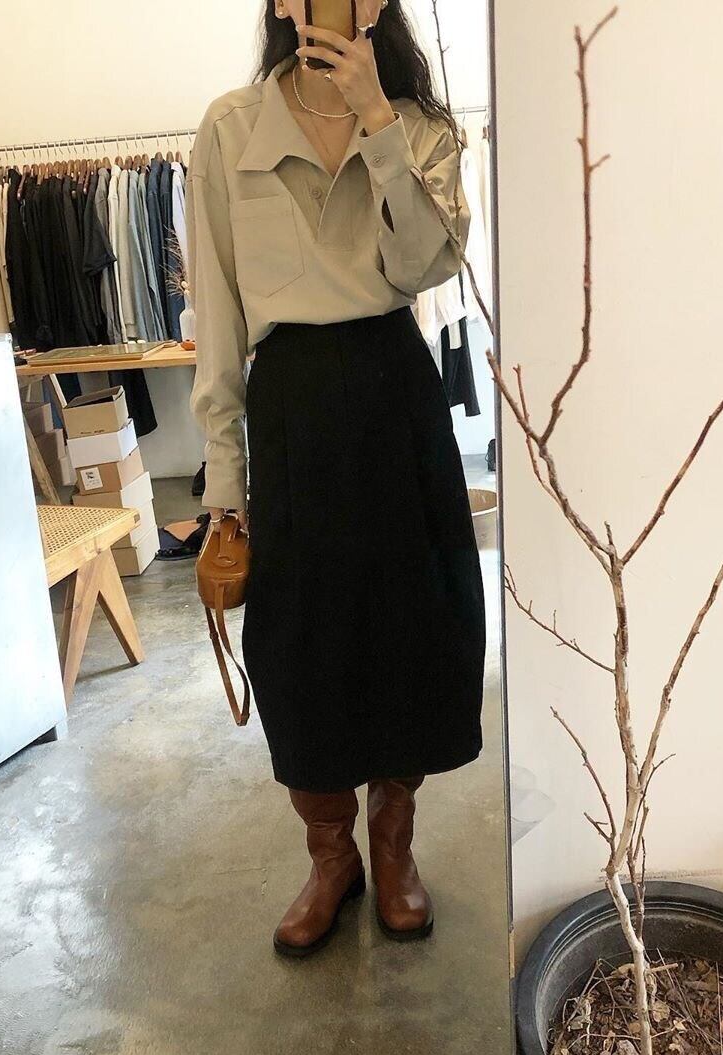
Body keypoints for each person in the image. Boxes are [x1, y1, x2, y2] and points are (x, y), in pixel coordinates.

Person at [188, 0, 485, 957]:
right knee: (299, 646)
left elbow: (425, 266)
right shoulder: (230, 129)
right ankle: (331, 856)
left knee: (409, 627)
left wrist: (379, 122)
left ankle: (393, 846)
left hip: (395, 398)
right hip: (291, 413)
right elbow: (218, 314)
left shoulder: (425, 128)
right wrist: (223, 482)